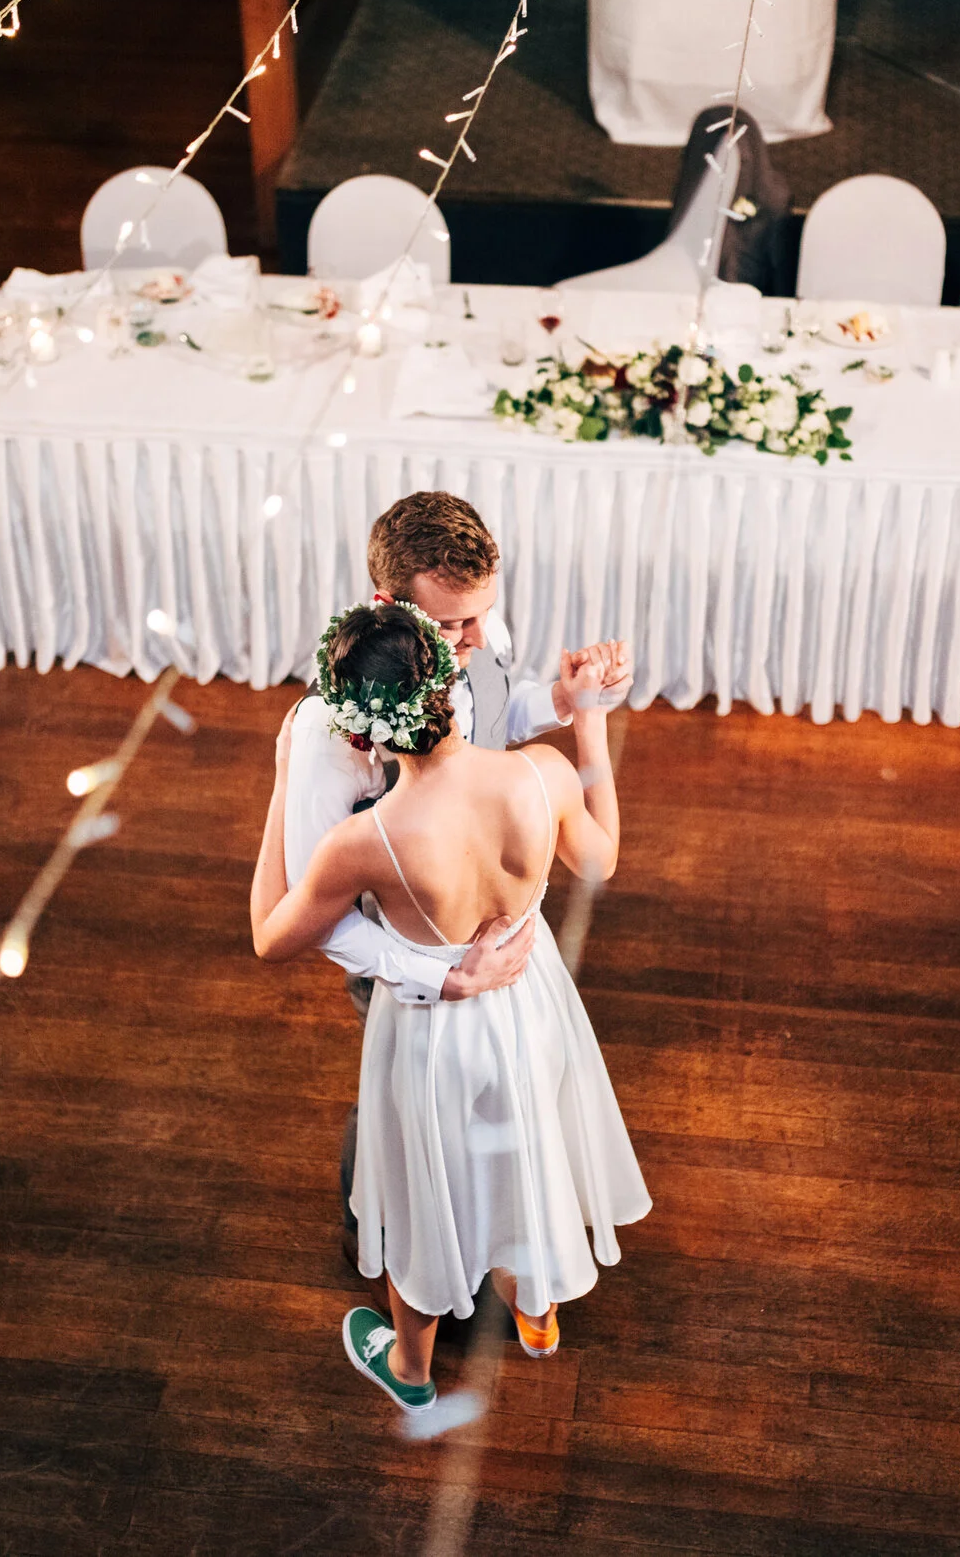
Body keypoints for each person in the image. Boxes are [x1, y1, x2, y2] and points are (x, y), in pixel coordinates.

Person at [252, 600, 651, 1410]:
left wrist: (284, 779)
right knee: (525, 1145)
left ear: (360, 735)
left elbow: (271, 935)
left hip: (431, 1039)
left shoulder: (363, 842)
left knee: (426, 1191)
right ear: (447, 677)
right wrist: (590, 722)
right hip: (531, 1004)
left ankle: (410, 1368)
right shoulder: (540, 774)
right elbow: (601, 860)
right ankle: (536, 1315)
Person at [277, 491, 632, 1264]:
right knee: (399, 1108)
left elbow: (494, 716)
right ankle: (383, 1232)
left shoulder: (472, 634)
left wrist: (563, 700)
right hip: (404, 959)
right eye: (452, 625)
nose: (476, 636)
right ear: (390, 608)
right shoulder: (329, 732)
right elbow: (313, 901)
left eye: (485, 613)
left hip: (504, 945)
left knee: (506, 1095)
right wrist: (437, 979)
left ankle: (491, 1238)